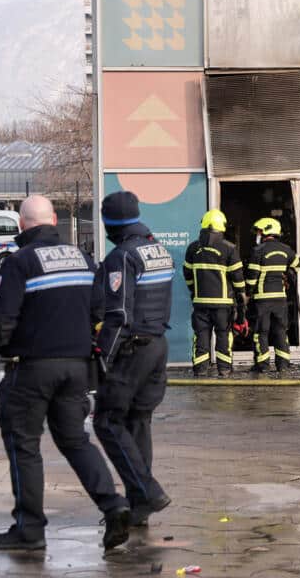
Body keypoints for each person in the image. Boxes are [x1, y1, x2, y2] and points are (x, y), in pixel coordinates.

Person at [0, 195, 130, 551]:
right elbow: (101, 309)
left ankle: (29, 529)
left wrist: (7, 350)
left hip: (32, 369)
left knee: (25, 446)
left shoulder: (20, 262)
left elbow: (1, 320)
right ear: (54, 220)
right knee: (75, 441)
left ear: (22, 225)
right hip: (77, 368)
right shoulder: (82, 258)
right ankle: (114, 505)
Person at [92, 191, 173, 527]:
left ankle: (147, 491)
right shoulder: (159, 250)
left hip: (132, 349)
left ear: (109, 222)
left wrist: (102, 358)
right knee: (139, 421)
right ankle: (140, 505)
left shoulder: (121, 257)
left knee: (107, 421)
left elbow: (118, 313)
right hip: (157, 345)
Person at [183, 209, 247, 377]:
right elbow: (238, 279)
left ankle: (200, 369)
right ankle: (224, 369)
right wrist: (241, 299)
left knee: (201, 336)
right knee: (224, 335)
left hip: (200, 303)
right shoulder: (229, 249)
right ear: (222, 226)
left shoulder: (193, 248)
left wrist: (194, 292)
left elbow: (188, 276)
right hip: (223, 305)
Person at [245, 217, 300, 374]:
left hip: (262, 300)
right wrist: (288, 273)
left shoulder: (258, 251)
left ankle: (262, 366)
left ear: (265, 231)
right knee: (280, 331)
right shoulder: (286, 249)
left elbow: (251, 278)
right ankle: (283, 365)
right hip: (280, 300)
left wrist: (247, 293)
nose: (257, 234)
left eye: (259, 231)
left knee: (261, 333)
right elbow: (298, 262)